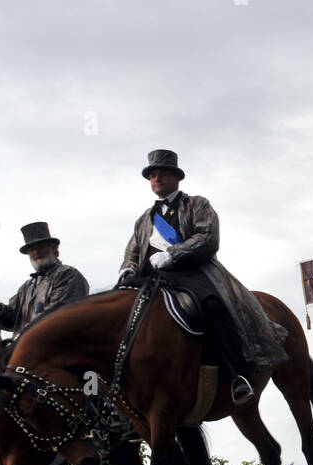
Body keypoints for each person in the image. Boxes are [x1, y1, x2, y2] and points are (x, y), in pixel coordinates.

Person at [118, 149, 287, 406]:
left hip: (192, 271)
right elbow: (132, 250)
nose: (156, 178)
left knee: (210, 306)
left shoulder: (197, 204)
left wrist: (173, 254)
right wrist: (127, 268)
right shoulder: (144, 219)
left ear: (176, 177)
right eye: (152, 175)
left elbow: (208, 237)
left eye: (162, 173)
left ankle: (236, 374)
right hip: (153, 279)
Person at [0, 222, 89, 336]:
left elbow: (56, 319)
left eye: (40, 246)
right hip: (26, 354)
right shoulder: (26, 287)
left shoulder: (68, 275)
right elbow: (10, 319)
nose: (36, 252)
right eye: (31, 249)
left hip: (56, 355)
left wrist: (21, 340)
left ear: (54, 248)